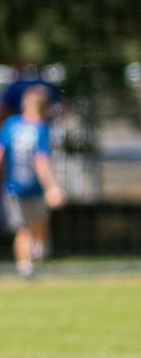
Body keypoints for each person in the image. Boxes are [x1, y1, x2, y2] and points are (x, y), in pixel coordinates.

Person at [3, 85, 66, 277]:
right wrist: (52, 187)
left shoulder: (11, 125)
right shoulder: (41, 129)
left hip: (13, 188)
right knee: (37, 224)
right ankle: (34, 258)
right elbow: (41, 161)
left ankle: (25, 266)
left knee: (23, 228)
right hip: (33, 188)